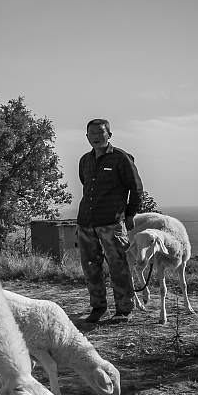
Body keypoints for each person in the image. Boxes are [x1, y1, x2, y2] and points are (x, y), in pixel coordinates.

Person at [77, 118, 143, 324]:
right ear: (87, 136)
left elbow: (136, 188)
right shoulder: (85, 160)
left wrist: (130, 215)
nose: (96, 137)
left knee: (118, 267)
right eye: (92, 133)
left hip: (111, 223)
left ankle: (124, 310)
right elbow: (86, 187)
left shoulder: (120, 158)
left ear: (109, 135)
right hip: (86, 222)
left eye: (100, 132)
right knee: (90, 267)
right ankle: (98, 308)